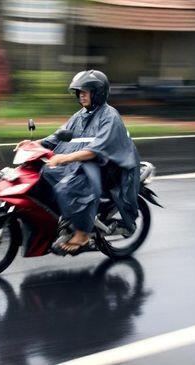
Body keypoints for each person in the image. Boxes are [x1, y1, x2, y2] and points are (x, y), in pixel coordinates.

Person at [15, 70, 141, 254]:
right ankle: (64, 218)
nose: (80, 95)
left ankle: (83, 233)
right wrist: (35, 143)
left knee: (67, 186)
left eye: (85, 91)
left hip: (108, 168)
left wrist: (64, 158)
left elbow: (96, 150)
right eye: (78, 91)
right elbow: (59, 135)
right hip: (88, 164)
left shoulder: (110, 117)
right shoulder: (81, 115)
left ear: (98, 92)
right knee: (46, 172)